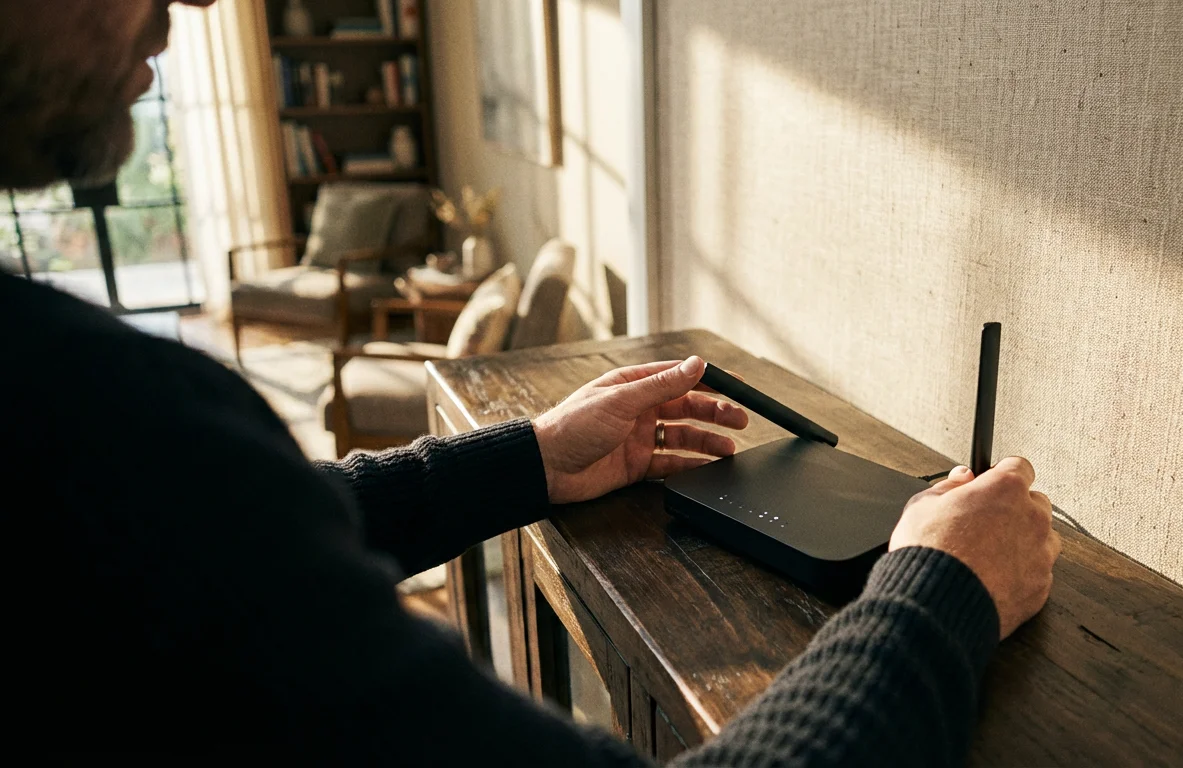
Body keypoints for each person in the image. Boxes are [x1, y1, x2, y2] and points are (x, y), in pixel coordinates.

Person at [1, 1, 1061, 763]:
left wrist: (526, 457)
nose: (184, 4)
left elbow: (208, 544)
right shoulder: (89, 419)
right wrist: (935, 594)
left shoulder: (111, 451)